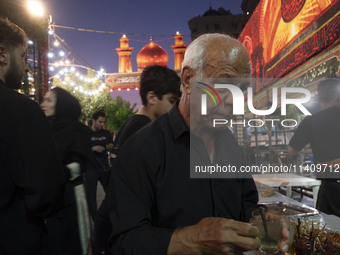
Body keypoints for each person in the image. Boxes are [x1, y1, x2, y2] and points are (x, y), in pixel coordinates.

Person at [107, 34, 290, 254]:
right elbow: (121, 241)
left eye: (241, 90)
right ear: (187, 81)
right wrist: (190, 240)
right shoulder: (141, 149)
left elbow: (245, 205)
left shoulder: (229, 143)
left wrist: (262, 220)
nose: (235, 100)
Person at [94, 65, 181, 254]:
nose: (176, 109)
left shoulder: (133, 123)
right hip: (124, 227)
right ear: (152, 98)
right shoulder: (145, 131)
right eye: (172, 101)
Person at [0, 18, 65, 254]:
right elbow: (47, 189)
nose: (27, 67)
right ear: (2, 55)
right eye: (24, 57)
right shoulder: (20, 110)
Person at [41, 87, 92, 255]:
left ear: (61, 105)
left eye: (49, 100)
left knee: (71, 242)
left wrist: (56, 170)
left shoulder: (78, 131)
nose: (43, 104)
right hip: (49, 197)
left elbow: (80, 164)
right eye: (44, 99)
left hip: (70, 197)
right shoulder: (45, 129)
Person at [288, 78, 340, 216]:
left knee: (329, 230)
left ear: (318, 98)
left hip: (330, 186)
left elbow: (292, 150)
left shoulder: (311, 121)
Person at [85, 111, 113, 221]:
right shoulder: (86, 133)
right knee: (91, 195)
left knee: (110, 192)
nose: (102, 124)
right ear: (93, 121)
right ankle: (95, 219)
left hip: (104, 167)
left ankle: (107, 214)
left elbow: (111, 145)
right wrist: (92, 148)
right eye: (100, 122)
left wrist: (109, 147)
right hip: (91, 168)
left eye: (103, 122)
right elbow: (81, 149)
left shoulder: (106, 133)